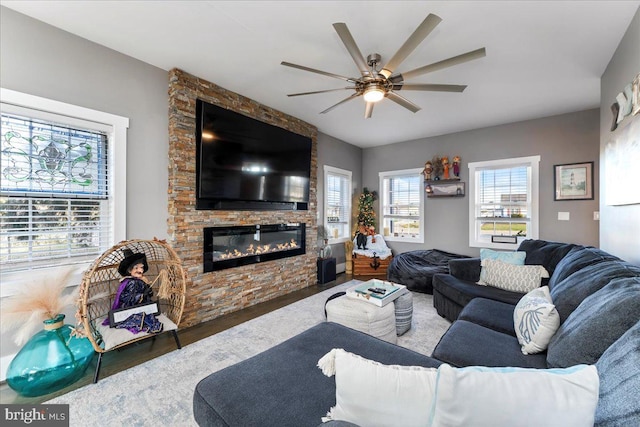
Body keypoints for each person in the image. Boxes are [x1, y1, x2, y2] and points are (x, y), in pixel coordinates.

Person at [103, 248, 163, 334]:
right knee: (145, 318)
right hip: (130, 308)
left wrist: (148, 291)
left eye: (141, 267)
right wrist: (142, 295)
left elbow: (148, 294)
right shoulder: (131, 282)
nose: (141, 270)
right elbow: (125, 297)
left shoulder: (141, 280)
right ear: (129, 270)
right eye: (136, 268)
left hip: (142, 305)